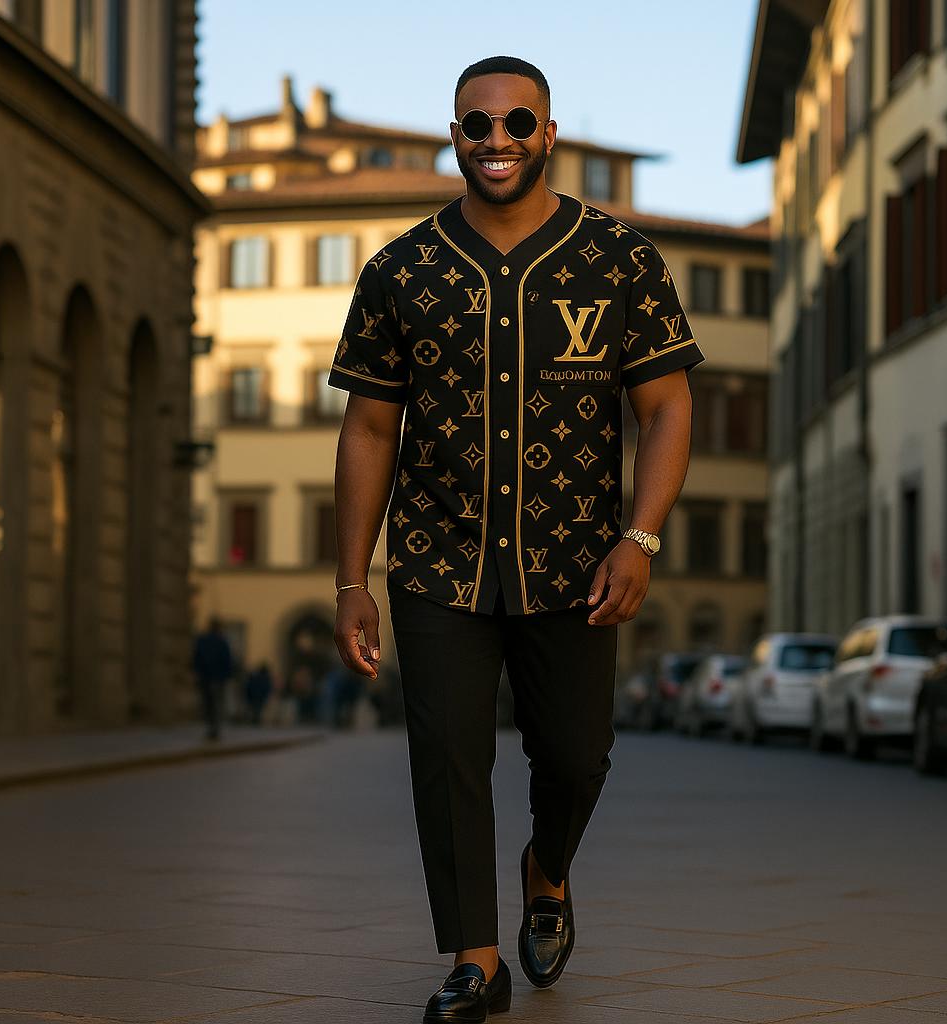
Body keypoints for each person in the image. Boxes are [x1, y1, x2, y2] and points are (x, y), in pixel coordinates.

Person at [328, 55, 704, 1022]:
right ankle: (476, 960)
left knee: (576, 758)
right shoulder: (400, 270)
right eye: (477, 123)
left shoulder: (619, 258)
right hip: (436, 558)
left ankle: (548, 867)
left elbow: (666, 408)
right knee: (447, 757)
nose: (497, 140)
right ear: (453, 135)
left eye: (517, 122)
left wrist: (642, 537)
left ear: (549, 133)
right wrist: (350, 580)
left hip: (577, 563)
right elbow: (368, 429)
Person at [191, 616, 234, 741]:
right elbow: (227, 660)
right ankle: (215, 727)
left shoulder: (202, 640)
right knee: (217, 703)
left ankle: (211, 726)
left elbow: (196, 657)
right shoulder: (222, 641)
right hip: (218, 678)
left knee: (208, 702)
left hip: (205, 677)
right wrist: (227, 675)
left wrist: (197, 672)